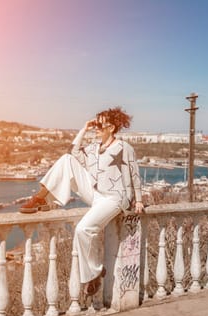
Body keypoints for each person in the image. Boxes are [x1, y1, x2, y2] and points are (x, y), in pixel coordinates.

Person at [19, 106, 144, 296]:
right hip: (95, 193)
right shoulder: (93, 149)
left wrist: (139, 200)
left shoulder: (124, 148)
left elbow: (135, 175)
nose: (96, 128)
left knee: (83, 229)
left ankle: (94, 273)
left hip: (114, 198)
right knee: (66, 159)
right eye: (95, 124)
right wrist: (84, 128)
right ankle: (40, 198)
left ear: (111, 127)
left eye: (99, 125)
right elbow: (72, 152)